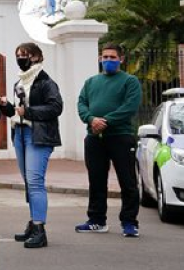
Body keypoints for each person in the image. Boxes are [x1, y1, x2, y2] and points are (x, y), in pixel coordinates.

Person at [0, 43, 63, 249]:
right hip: (20, 133)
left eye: (24, 55)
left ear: (36, 57)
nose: (21, 58)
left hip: (38, 136)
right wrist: (3, 105)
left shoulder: (45, 82)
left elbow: (56, 107)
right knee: (28, 181)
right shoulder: (20, 82)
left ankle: (39, 229)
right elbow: (16, 112)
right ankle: (32, 222)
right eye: (18, 55)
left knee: (35, 181)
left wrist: (29, 112)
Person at [76, 43, 142, 238]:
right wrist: (91, 119)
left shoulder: (130, 81)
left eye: (113, 57)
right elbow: (81, 103)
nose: (108, 61)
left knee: (127, 181)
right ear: (100, 59)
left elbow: (130, 107)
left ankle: (129, 222)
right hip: (94, 138)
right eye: (105, 57)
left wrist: (105, 121)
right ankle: (97, 220)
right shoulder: (91, 82)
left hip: (121, 137)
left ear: (121, 59)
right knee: (96, 180)